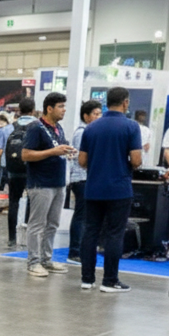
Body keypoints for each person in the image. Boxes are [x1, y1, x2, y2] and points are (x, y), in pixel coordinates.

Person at [76, 87, 141, 293]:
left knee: (90, 232)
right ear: (125, 102)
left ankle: (87, 279)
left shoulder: (91, 128)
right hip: (119, 189)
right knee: (114, 234)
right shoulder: (131, 126)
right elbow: (136, 160)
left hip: (93, 188)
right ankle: (110, 280)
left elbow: (82, 161)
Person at [20, 92, 74, 277]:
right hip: (41, 183)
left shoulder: (58, 128)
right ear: (49, 108)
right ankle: (33, 262)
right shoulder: (36, 128)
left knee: (53, 224)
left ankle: (46, 259)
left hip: (58, 182)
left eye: (64, 106)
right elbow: (26, 154)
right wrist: (52, 152)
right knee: (37, 224)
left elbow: (58, 149)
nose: (64, 110)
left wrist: (66, 151)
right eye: (60, 106)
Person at [67, 100, 103, 261]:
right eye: (95, 114)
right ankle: (74, 251)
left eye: (100, 114)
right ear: (86, 116)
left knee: (86, 215)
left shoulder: (91, 131)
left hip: (88, 178)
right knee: (81, 215)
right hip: (80, 178)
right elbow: (82, 158)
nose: (98, 117)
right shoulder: (82, 133)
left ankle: (81, 248)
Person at [0, 101, 36, 248]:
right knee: (32, 203)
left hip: (14, 171)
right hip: (32, 170)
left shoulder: (9, 128)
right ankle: (27, 236)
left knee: (14, 202)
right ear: (33, 110)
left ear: (19, 110)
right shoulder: (38, 126)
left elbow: (2, 150)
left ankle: (12, 238)